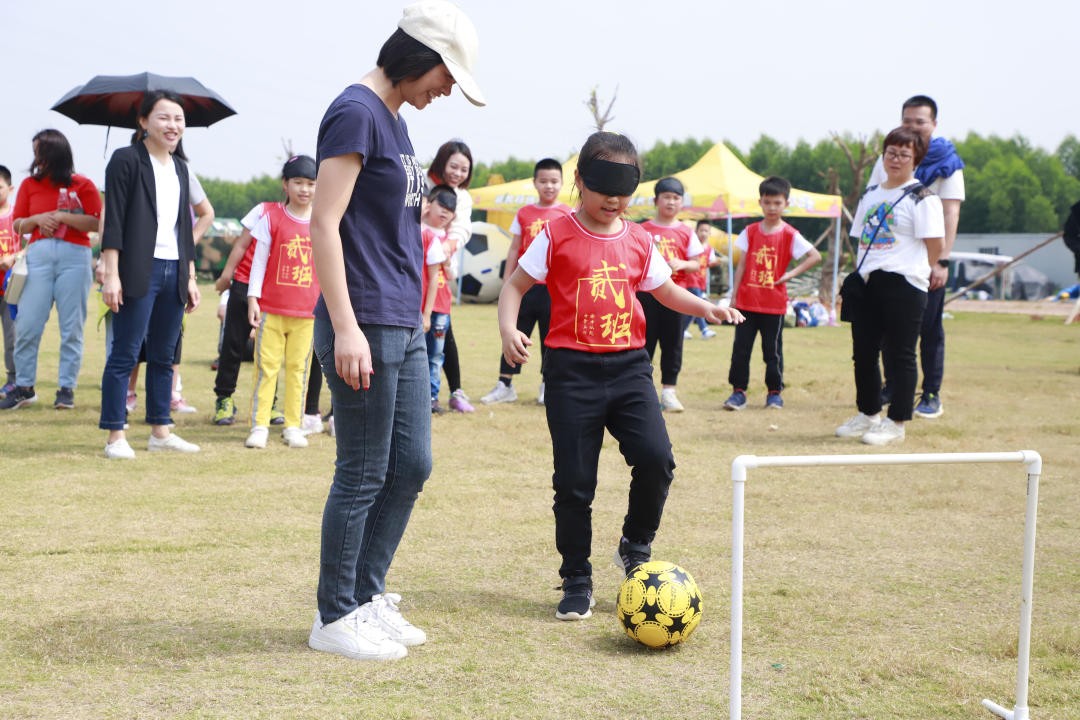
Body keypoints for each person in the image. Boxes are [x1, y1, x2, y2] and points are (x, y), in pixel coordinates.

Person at [498, 131, 743, 621]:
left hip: (630, 368)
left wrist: (708, 308)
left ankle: (635, 544)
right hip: (571, 372)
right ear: (579, 182)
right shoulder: (556, 235)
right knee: (574, 482)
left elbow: (666, 290)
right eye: (603, 184)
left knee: (656, 459)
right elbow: (515, 285)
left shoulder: (639, 239)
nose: (614, 198)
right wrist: (509, 329)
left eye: (625, 187)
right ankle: (576, 578)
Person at [307, 0, 485, 661]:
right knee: (362, 471)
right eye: (445, 76)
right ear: (419, 58)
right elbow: (324, 225)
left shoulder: (397, 121)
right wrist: (346, 327)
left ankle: (366, 594)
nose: (445, 91)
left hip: (405, 317)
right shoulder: (355, 111)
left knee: (412, 464)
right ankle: (334, 616)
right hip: (366, 320)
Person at [98, 91, 202, 459]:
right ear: (143, 122)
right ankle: (115, 435)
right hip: (136, 269)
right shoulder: (125, 161)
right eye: (164, 117)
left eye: (178, 119)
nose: (173, 125)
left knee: (164, 355)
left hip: (174, 270)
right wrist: (111, 274)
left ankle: (161, 429)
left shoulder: (181, 168)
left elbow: (183, 229)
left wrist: (189, 275)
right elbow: (113, 222)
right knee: (124, 354)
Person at [836, 127, 944, 446]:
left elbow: (935, 246)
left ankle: (896, 421)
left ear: (916, 160)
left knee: (900, 355)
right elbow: (861, 238)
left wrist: (916, 271)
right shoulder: (871, 194)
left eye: (904, 154)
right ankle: (868, 413)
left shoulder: (922, 197)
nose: (895, 159)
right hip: (868, 281)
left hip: (904, 282)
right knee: (864, 353)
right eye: (891, 152)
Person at [867, 95, 964, 419]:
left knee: (929, 330)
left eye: (920, 121)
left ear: (933, 124)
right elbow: (873, 206)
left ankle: (931, 393)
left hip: (924, 261)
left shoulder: (948, 163)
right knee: (887, 331)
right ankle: (893, 387)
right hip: (887, 260)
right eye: (907, 120)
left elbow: (951, 213)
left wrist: (941, 262)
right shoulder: (888, 159)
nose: (913, 127)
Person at [2, 130, 102, 411]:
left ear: (57, 153)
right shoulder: (29, 185)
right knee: (28, 324)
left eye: (41, 152)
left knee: (72, 326)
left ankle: (66, 388)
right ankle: (24, 386)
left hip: (75, 257)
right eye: (35, 152)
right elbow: (18, 225)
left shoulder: (83, 185)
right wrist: (36, 219)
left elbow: (97, 223)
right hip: (39, 257)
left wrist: (62, 217)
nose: (37, 159)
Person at [723, 177, 821, 411]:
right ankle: (738, 392)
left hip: (773, 304)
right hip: (746, 301)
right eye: (767, 202)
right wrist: (734, 296)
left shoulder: (790, 234)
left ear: (786, 203)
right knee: (741, 350)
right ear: (760, 202)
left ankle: (774, 393)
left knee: (773, 351)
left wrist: (789, 275)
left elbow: (815, 256)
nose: (772, 208)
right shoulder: (750, 231)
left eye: (777, 203)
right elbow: (742, 265)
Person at [244, 155, 320, 449]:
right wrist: (253, 298)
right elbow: (259, 263)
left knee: (298, 369)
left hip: (307, 312)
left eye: (311, 184)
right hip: (271, 310)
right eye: (298, 182)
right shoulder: (271, 218)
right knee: (266, 368)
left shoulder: (322, 221)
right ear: (285, 185)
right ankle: (260, 424)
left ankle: (293, 425)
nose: (304, 189)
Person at [481, 157, 571, 405]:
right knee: (514, 332)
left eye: (554, 181)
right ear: (534, 183)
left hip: (554, 289)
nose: (549, 186)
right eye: (544, 181)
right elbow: (514, 249)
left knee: (549, 339)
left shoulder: (568, 213)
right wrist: (508, 278)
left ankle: (547, 385)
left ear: (562, 183)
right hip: (524, 287)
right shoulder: (524, 213)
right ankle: (505, 384)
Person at [638, 176, 705, 413]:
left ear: (682, 203)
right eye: (666, 197)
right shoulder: (642, 229)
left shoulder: (687, 231)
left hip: (677, 295)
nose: (671, 202)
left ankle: (669, 392)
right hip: (646, 296)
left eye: (676, 198)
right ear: (656, 200)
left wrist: (683, 263)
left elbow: (697, 264)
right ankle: (642, 392)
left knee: (673, 343)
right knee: (644, 344)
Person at [425, 139, 475, 412]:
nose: (457, 173)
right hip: (414, 268)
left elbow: (461, 230)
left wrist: (444, 249)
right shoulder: (423, 182)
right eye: (453, 166)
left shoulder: (463, 198)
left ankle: (454, 391)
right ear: (442, 161)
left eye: (464, 169)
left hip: (441, 268)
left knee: (442, 336)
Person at [420, 186, 452, 413]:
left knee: (435, 354)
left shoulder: (446, 239)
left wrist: (448, 262)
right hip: (419, 305)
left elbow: (449, 275)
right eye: (441, 206)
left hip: (440, 306)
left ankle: (432, 396)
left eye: (450, 210)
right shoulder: (418, 231)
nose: (444, 213)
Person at [681, 219, 719, 340]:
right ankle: (704, 329)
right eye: (701, 230)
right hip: (691, 280)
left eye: (706, 231)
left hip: (701, 281)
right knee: (699, 305)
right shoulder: (692, 246)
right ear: (696, 231)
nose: (704, 233)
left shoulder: (709, 249)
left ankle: (682, 330)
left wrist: (717, 262)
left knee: (694, 308)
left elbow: (711, 262)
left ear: (710, 233)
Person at [0, 165, 18, 398]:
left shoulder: (17, 217)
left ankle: (13, 381)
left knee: (12, 338)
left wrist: (14, 257)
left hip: (11, 289)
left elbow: (31, 247)